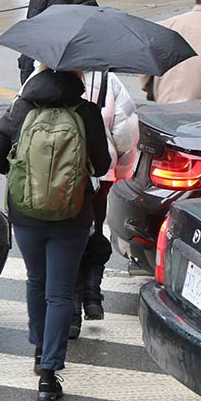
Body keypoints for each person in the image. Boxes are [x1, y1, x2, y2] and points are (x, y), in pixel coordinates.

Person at [0, 66, 111, 401]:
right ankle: (49, 377)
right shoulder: (88, 112)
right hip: (73, 213)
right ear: (77, 76)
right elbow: (103, 163)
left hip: (25, 212)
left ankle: (39, 352)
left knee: (36, 280)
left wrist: (21, 167)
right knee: (60, 293)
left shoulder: (20, 108)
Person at [69, 70, 140, 337]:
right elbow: (126, 130)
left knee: (67, 239)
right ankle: (92, 293)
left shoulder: (41, 78)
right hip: (98, 174)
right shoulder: (107, 81)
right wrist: (121, 170)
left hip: (53, 177)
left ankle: (72, 311)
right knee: (94, 230)